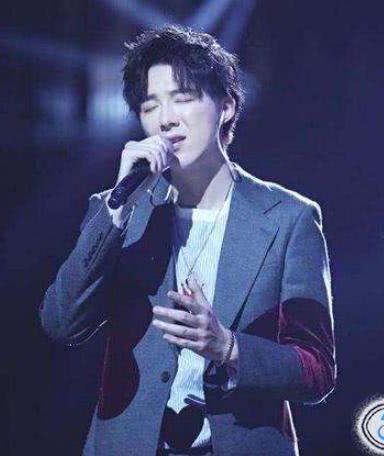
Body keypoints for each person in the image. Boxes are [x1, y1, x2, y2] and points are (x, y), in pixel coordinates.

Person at [39, 25, 336, 456]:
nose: (166, 118)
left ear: (226, 106)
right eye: (150, 105)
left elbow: (317, 369)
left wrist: (228, 347)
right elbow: (61, 323)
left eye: (183, 98)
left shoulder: (289, 219)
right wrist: (117, 214)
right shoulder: (118, 211)